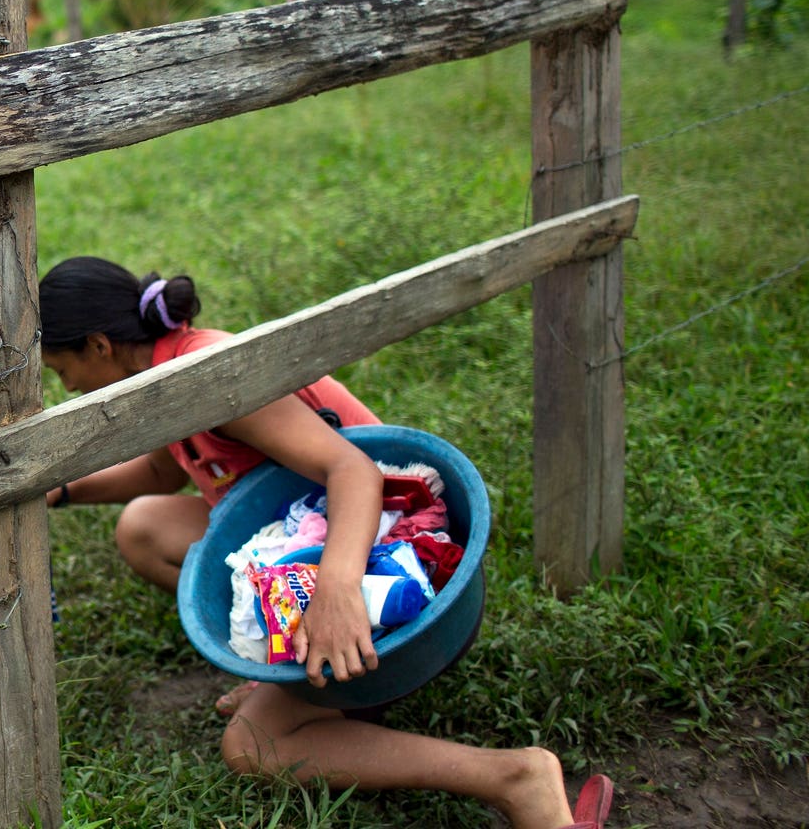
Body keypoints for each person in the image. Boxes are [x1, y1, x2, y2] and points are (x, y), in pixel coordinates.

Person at [38, 256, 613, 829]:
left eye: (63, 370)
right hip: (309, 532)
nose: (68, 387)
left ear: (99, 346)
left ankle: (515, 776)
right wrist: (60, 489)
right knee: (144, 527)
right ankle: (291, 667)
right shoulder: (166, 379)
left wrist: (336, 596)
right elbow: (162, 473)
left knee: (254, 746)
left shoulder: (209, 379)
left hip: (399, 563)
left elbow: (356, 472)